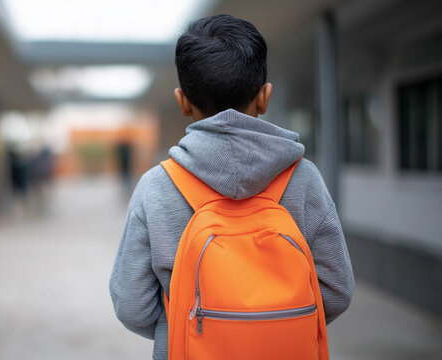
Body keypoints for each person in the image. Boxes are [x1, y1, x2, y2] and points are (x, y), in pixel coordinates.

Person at [109, 14, 354, 360]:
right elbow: (337, 290)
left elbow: (132, 305)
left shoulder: (157, 186)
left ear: (182, 101)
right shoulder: (303, 178)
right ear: (264, 97)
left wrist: (195, 327)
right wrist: (273, 325)